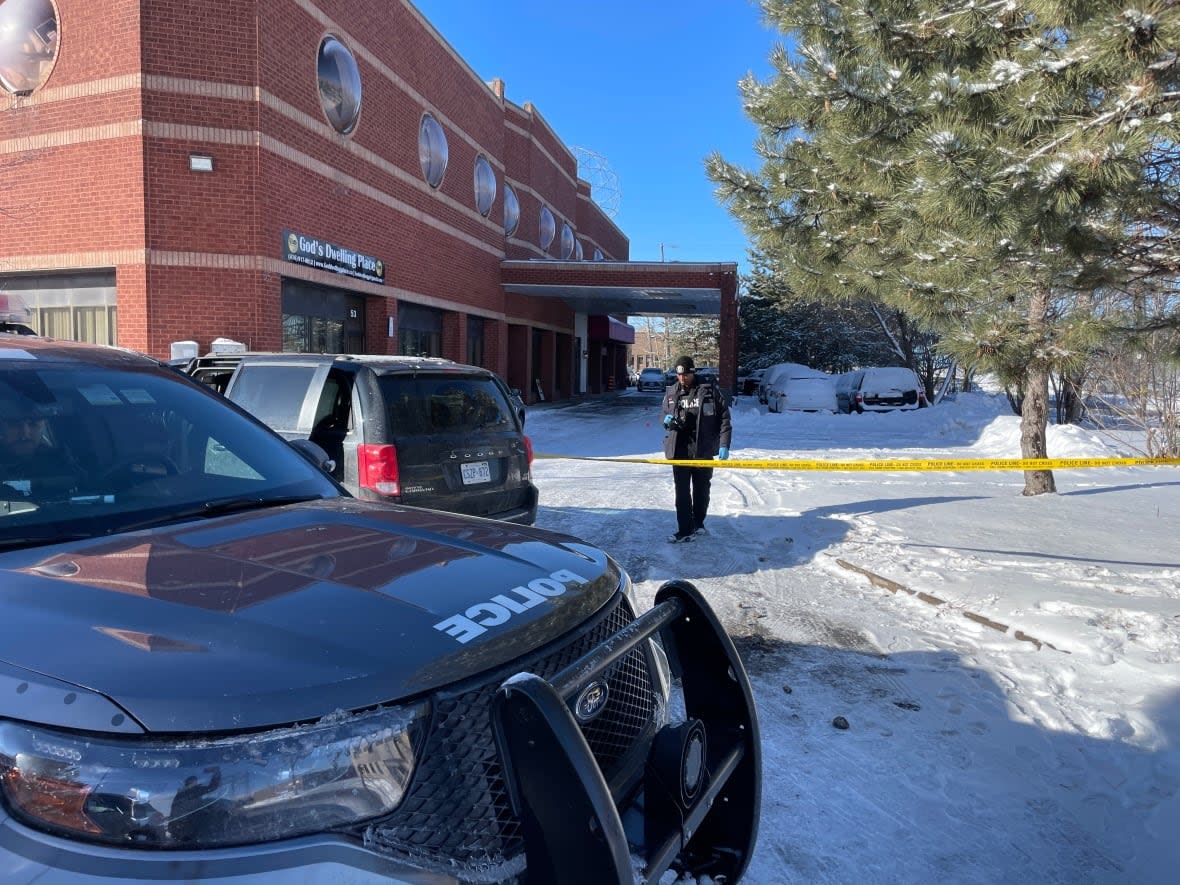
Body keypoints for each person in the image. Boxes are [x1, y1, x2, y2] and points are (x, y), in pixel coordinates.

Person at [661, 355, 731, 542]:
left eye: (686, 375)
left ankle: (698, 523)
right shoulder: (671, 392)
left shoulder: (708, 392)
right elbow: (664, 416)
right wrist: (667, 421)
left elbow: (724, 419)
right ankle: (685, 529)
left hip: (703, 450)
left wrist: (724, 445)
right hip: (680, 451)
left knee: (701, 491)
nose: (682, 378)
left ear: (693, 372)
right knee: (682, 493)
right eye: (679, 375)